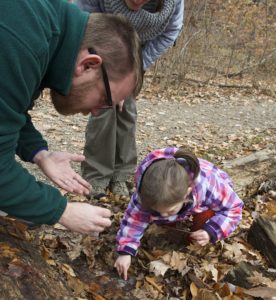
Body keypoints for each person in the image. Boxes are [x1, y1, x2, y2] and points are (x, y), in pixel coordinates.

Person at [0, 0, 143, 235]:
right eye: (104, 100)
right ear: (89, 65)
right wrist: (61, 211)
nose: (97, 112)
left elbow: (9, 109)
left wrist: (39, 153)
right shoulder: (20, 42)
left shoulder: (47, 30)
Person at [75, 0, 184, 198]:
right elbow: (84, 26)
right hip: (98, 42)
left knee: (127, 109)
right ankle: (97, 176)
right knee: (104, 106)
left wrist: (132, 72)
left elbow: (170, 32)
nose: (137, 2)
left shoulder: (173, 3)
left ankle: (122, 174)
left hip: (137, 51)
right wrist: (111, 76)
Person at [114, 147, 244, 280]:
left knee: (204, 219)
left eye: (169, 211)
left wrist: (211, 231)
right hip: (177, 202)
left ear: (186, 193)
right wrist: (125, 251)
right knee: (162, 214)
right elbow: (134, 220)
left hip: (204, 202)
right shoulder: (145, 195)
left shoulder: (209, 187)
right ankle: (172, 218)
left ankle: (193, 240)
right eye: (158, 211)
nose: (164, 215)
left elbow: (234, 208)